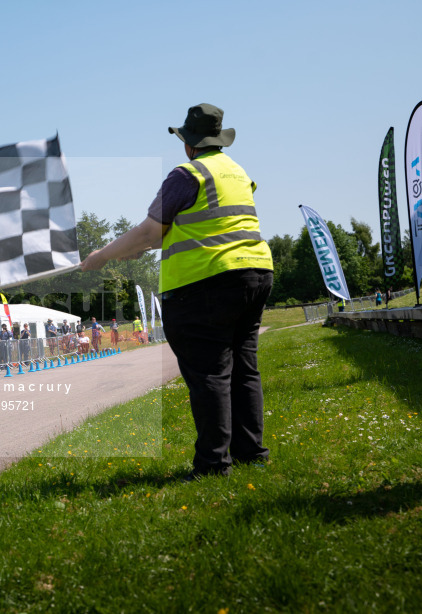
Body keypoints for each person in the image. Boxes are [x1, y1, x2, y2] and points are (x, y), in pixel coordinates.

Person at [81, 103, 273, 480]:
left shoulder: (186, 175)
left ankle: (214, 466)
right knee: (243, 371)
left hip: (206, 283)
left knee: (210, 375)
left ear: (188, 143)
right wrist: (131, 249)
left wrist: (101, 256)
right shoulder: (236, 172)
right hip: (254, 274)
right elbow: (189, 228)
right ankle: (252, 455)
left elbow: (152, 231)